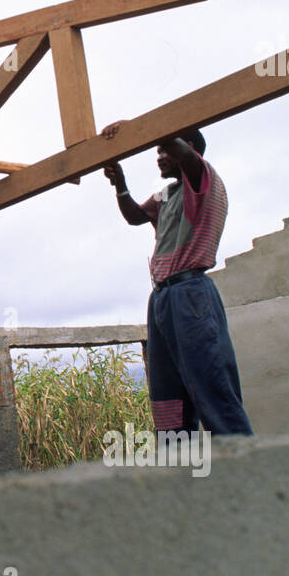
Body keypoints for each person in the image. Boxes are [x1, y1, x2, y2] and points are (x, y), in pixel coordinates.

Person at [100, 121, 254, 436]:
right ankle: (181, 468)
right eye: (157, 152)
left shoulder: (202, 178)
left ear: (188, 149)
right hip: (162, 297)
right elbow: (135, 217)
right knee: (168, 390)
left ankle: (241, 459)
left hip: (190, 293)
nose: (159, 157)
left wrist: (136, 128)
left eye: (164, 150)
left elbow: (181, 152)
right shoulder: (168, 194)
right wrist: (121, 184)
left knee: (210, 380)